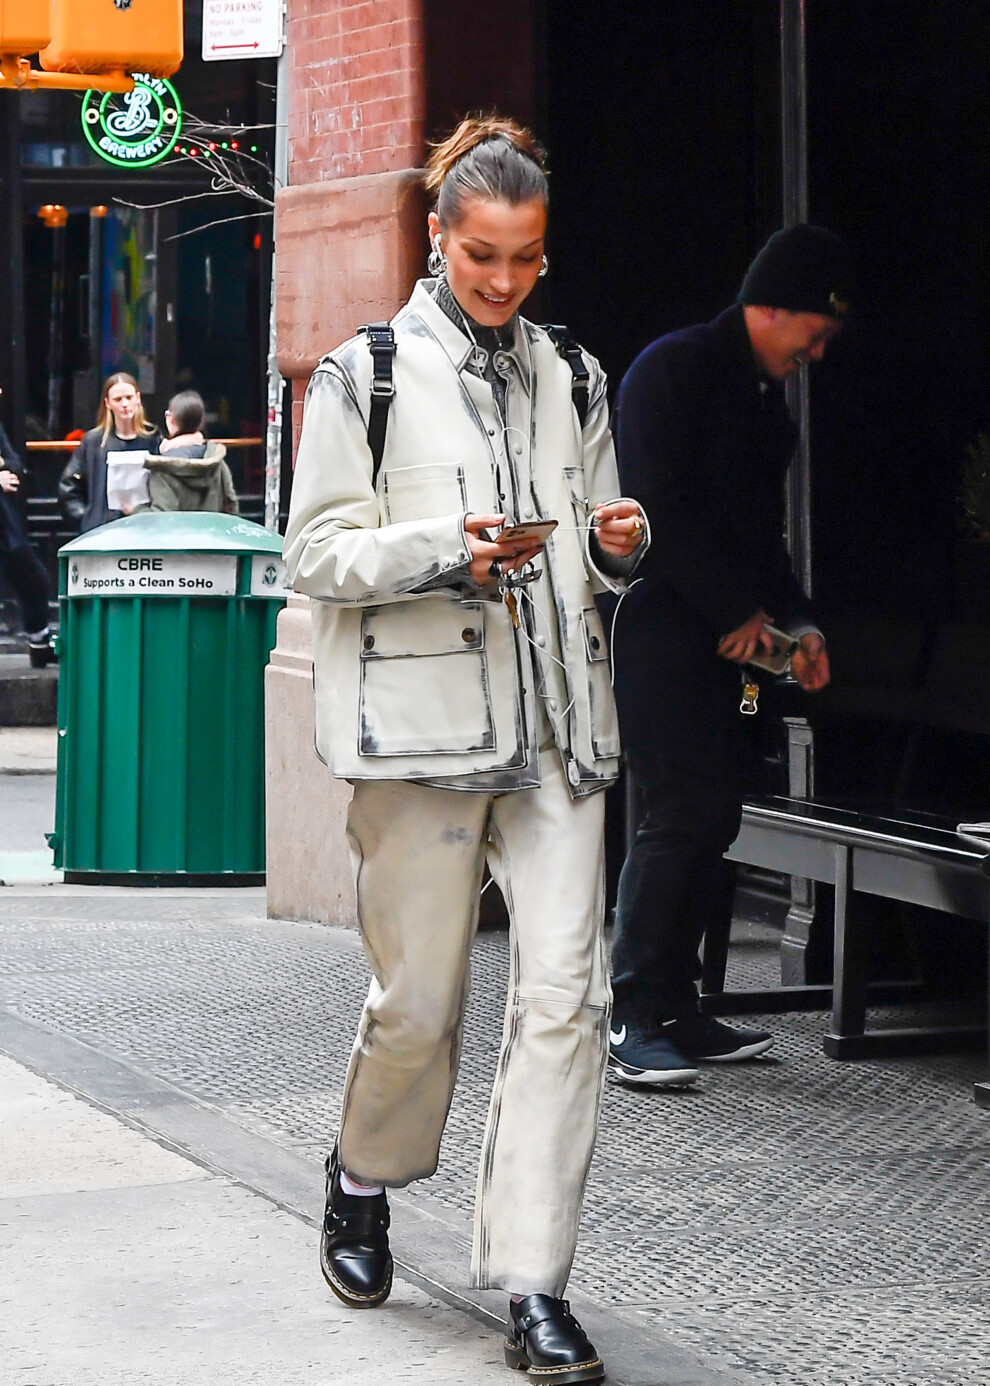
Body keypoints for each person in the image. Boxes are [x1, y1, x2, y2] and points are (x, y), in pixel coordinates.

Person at [284, 116, 647, 1385]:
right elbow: (313, 553)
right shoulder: (364, 377)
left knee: (567, 1001)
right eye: (483, 254)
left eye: (526, 257)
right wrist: (448, 547)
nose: (504, 279)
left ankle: (536, 1284)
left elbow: (598, 550)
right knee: (419, 1003)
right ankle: (361, 1178)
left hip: (559, 734)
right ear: (439, 237)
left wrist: (612, 545)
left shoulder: (576, 374)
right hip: (422, 736)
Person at [608, 224, 852, 1088]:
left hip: (734, 651)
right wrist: (734, 614)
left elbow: (763, 542)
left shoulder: (765, 408)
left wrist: (798, 624)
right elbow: (653, 509)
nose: (817, 353)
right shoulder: (669, 370)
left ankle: (679, 1007)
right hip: (661, 635)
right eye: (815, 332)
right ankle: (632, 1014)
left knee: (714, 817)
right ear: (773, 307)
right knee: (677, 813)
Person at [58, 372, 160, 532]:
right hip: (101, 530)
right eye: (118, 399)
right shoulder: (93, 442)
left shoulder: (153, 439)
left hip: (144, 529)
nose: (125, 404)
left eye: (129, 397)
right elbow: (69, 487)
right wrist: (86, 519)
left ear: (138, 398)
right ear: (108, 403)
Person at [0, 399, 56, 667]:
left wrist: (4, 466)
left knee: (36, 581)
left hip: (6, 527)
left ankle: (39, 643)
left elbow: (14, 463)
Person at [137, 390, 239, 515]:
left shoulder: (162, 469)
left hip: (179, 529)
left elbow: (161, 517)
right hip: (211, 527)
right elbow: (231, 503)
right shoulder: (216, 458)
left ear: (172, 419)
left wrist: (135, 509)